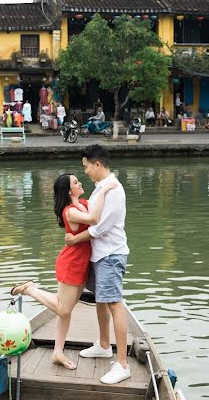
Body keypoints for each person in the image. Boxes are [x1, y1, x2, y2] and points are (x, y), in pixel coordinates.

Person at [10, 173, 118, 370]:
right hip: (71, 264)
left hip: (82, 263)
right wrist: (104, 189)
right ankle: (30, 289)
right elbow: (94, 219)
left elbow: (99, 215)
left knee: (64, 311)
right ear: (69, 191)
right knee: (63, 309)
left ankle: (57, 352)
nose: (80, 182)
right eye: (76, 182)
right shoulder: (70, 211)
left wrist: (102, 192)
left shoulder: (83, 203)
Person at [64, 144, 131, 385]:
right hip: (98, 255)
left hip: (110, 254)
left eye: (86, 167)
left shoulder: (114, 190)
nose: (86, 172)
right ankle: (104, 345)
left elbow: (99, 227)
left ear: (97, 164)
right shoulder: (100, 188)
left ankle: (123, 365)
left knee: (114, 304)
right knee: (101, 300)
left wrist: (74, 240)